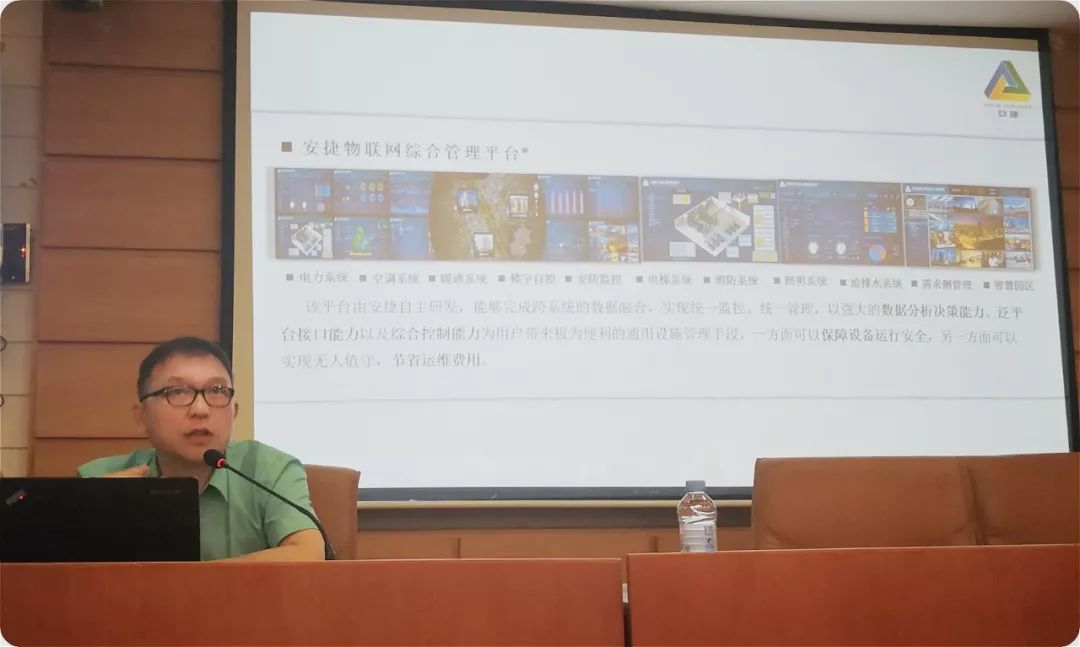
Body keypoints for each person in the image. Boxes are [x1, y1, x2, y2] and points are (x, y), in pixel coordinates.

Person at [77, 336, 326, 562]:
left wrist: (187, 582)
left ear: (234, 412)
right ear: (141, 416)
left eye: (217, 391)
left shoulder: (269, 470)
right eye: (177, 392)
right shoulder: (98, 479)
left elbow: (308, 553)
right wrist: (93, 509)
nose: (200, 410)